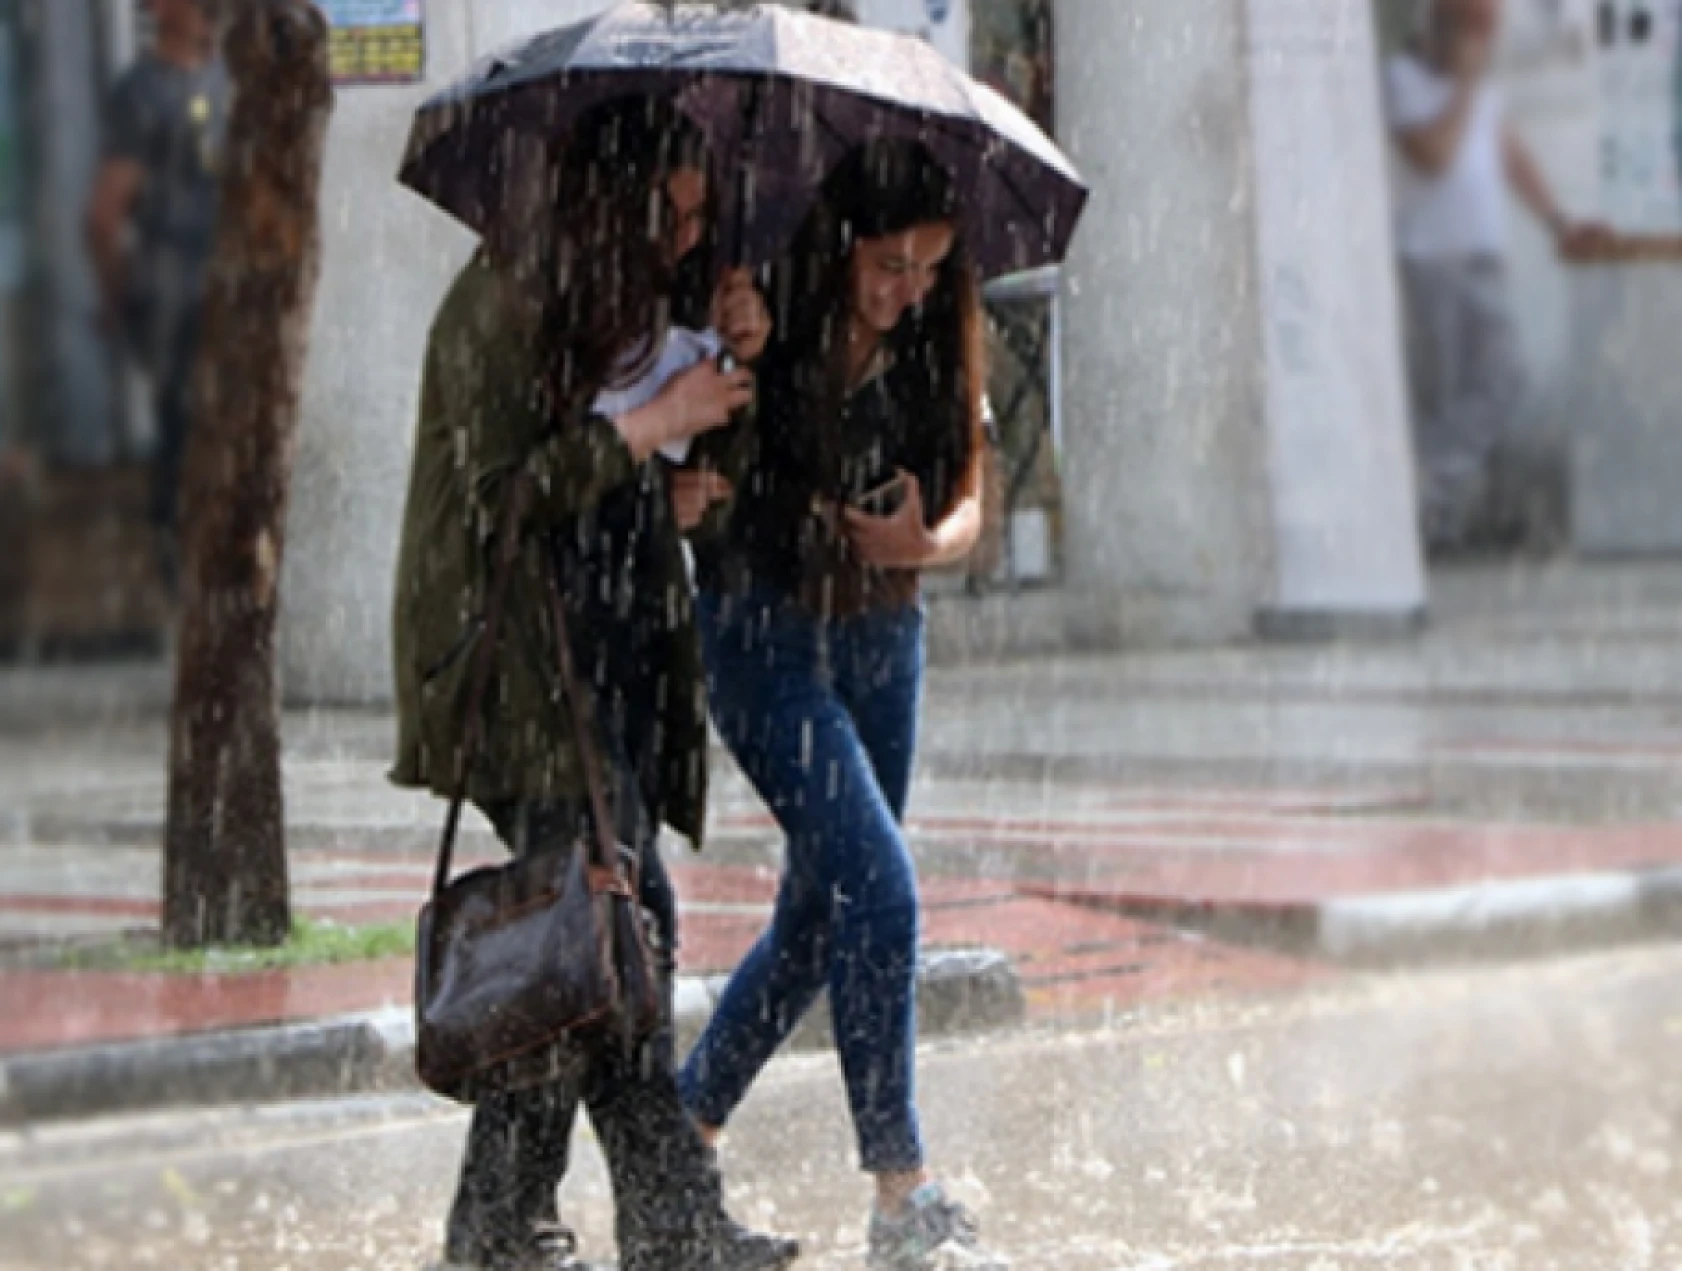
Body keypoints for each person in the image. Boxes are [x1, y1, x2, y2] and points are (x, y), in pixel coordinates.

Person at [390, 97, 797, 1271]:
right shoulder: (499, 301)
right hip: (516, 665)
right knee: (598, 934)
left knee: (612, 931)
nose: (681, 239)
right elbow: (498, 499)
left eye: (694, 215)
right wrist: (645, 433)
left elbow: (697, 459)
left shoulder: (631, 308)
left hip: (602, 660)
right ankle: (612, 1226)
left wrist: (740, 366)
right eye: (660, 214)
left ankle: (539, 1225)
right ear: (602, 206)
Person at [680, 141, 1006, 1271]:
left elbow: (972, 494)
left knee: (823, 920)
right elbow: (712, 455)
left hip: (883, 631)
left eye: (926, 266)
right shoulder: (767, 304)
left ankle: (681, 1132)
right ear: (843, 243)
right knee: (881, 888)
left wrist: (927, 542)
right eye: (887, 264)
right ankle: (899, 1191)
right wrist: (755, 358)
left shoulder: (938, 326)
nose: (906, 288)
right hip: (763, 631)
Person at [1386, 0, 1605, 553]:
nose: (1480, 47)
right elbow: (1433, 155)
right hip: (1432, 259)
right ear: (1440, 28)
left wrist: (1557, 221)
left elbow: (1509, 155)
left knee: (1503, 376)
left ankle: (1428, 479)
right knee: (1448, 391)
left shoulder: (1480, 91)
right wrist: (1462, 85)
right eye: (1472, 32)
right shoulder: (1404, 79)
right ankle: (1431, 513)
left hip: (1479, 260)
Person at [84, 0, 229, 592]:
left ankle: (223, 584)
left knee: (230, 447)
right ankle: (190, 590)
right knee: (189, 441)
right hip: (178, 294)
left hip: (236, 294)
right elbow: (103, 215)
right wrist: (121, 296)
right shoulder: (142, 93)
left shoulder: (234, 82)